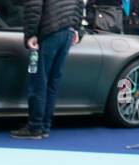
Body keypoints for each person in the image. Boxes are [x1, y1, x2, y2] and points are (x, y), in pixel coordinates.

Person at [11, 1, 85, 140]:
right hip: (67, 32)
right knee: (52, 83)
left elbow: (33, 7)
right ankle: (44, 126)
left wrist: (31, 34)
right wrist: (76, 29)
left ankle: (35, 127)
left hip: (49, 32)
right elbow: (80, 6)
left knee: (39, 81)